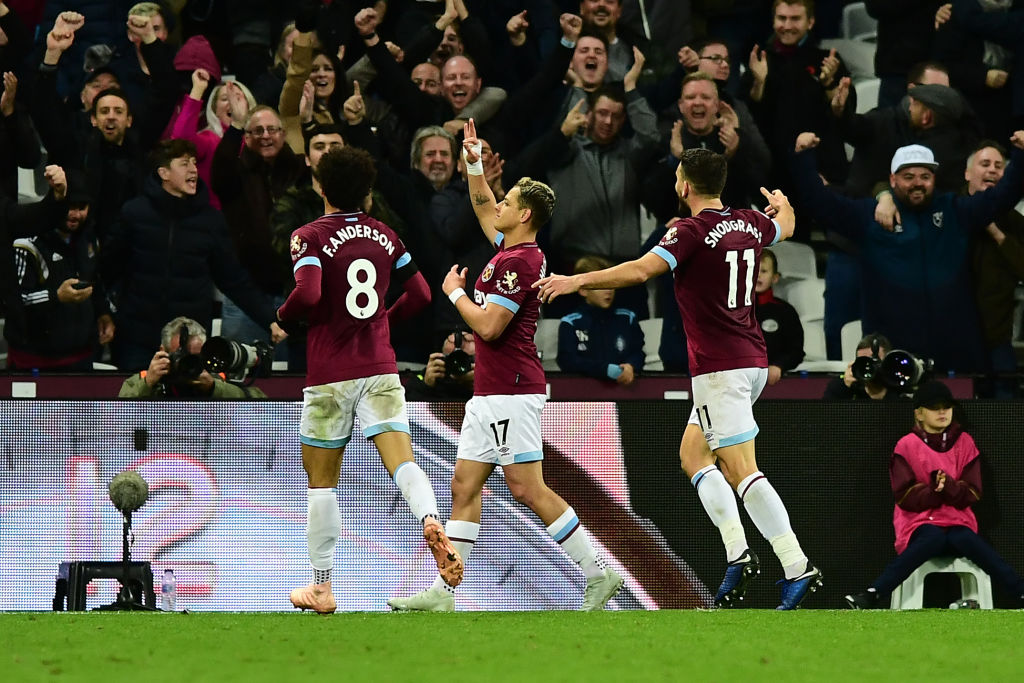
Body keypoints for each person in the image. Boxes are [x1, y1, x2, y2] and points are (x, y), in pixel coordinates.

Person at [536, 148, 824, 610]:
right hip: (747, 359)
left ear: (684, 185)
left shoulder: (690, 232)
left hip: (720, 367)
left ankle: (797, 565)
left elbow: (640, 270)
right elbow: (784, 225)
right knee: (694, 455)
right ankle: (738, 554)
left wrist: (576, 282)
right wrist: (784, 205)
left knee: (742, 469)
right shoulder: (749, 222)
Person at [387, 119, 622, 613]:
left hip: (513, 390)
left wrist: (454, 294)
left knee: (526, 487)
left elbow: (490, 327)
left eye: (509, 201)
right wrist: (472, 161)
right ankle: (446, 591)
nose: (500, 205)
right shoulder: (509, 249)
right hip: (493, 390)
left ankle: (597, 574)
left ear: (526, 213)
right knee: (464, 485)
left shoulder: (521, 262)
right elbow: (480, 205)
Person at [276, 146, 462, 615]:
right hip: (380, 368)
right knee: (403, 463)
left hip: (329, 375)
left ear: (320, 186)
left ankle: (321, 587)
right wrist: (382, 323)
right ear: (368, 192)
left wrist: (284, 317)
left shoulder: (309, 236)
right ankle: (430, 519)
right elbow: (420, 293)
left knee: (322, 484)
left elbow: (310, 291)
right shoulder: (385, 236)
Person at [793, 135, 1024, 374]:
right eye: (908, 177)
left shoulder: (955, 210)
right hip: (892, 350)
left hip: (956, 349)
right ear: (892, 180)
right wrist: (803, 157)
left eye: (925, 177)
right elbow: (819, 204)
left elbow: (1001, 198)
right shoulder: (870, 216)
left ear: (934, 179)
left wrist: (1020, 157)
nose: (918, 183)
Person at [102, 139, 282, 371]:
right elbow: (107, 269)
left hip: (191, 343)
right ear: (163, 172)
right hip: (138, 340)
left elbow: (233, 280)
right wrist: (103, 312)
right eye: (184, 163)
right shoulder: (134, 213)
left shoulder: (211, 220)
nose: (194, 169)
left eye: (195, 163)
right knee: (136, 404)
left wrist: (270, 320)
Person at [844, 380, 1024, 609]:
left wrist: (948, 486)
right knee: (934, 537)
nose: (942, 412)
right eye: (934, 407)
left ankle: (1020, 591)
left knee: (966, 539)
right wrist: (933, 490)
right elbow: (904, 497)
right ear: (919, 414)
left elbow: (973, 492)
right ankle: (874, 593)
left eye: (946, 407)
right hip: (918, 524)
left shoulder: (965, 442)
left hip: (958, 522)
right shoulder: (906, 445)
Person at [6, 175, 113, 371]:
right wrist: (56, 296)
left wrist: (103, 313)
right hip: (34, 359)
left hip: (81, 356)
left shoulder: (90, 241)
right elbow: (15, 301)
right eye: (70, 207)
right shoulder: (26, 243)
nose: (75, 215)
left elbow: (94, 282)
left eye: (82, 208)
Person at [118, 316, 264, 399]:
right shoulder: (147, 379)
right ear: (163, 351)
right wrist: (148, 384)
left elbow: (261, 403)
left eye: (195, 357)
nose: (187, 364)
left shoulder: (215, 378)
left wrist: (214, 388)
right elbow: (118, 415)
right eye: (180, 357)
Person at [557, 255, 645, 384]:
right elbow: (567, 361)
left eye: (612, 284)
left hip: (624, 392)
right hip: (584, 395)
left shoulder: (627, 318)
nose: (609, 291)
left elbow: (638, 352)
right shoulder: (571, 323)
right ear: (583, 290)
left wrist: (631, 366)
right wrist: (604, 370)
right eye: (602, 285)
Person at [754, 249, 804, 384]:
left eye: (763, 271)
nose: (758, 275)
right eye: (754, 269)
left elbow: (796, 351)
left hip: (775, 381)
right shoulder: (734, 309)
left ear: (775, 277)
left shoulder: (785, 311)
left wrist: (779, 365)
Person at [823, 332, 904, 401]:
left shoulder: (900, 385)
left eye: (874, 361)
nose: (868, 366)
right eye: (863, 361)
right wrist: (844, 388)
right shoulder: (842, 387)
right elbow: (826, 416)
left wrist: (883, 395)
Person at [403, 329, 476, 402]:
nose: (458, 366)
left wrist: (480, 387)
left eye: (465, 360)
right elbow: (411, 409)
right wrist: (426, 387)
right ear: (441, 359)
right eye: (452, 359)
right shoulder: (424, 380)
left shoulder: (484, 383)